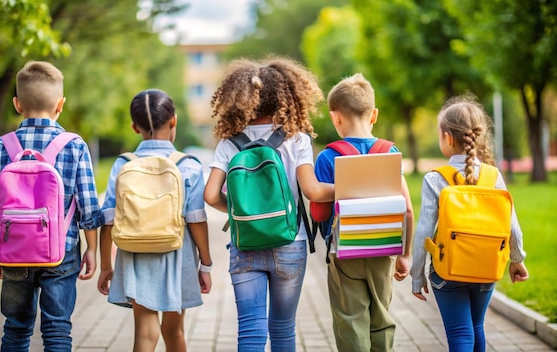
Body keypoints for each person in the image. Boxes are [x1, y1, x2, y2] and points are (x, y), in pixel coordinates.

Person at [203, 56, 335, 351]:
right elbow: (312, 191)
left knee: (250, 330)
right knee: (283, 329)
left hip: (246, 244)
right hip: (289, 242)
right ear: (284, 97)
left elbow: (211, 195)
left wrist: (240, 212)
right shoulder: (296, 139)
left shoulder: (229, 144)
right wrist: (347, 190)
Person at [0, 60, 103, 351]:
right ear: (60, 104)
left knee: (16, 329)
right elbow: (88, 207)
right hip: (61, 252)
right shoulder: (74, 145)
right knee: (58, 330)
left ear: (17, 104)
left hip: (14, 250)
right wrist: (92, 249)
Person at [410, 94, 529, 352]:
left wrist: (416, 274)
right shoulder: (493, 175)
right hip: (486, 268)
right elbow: (511, 224)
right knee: (476, 327)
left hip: (447, 270)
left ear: (447, 138)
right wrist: (517, 259)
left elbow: (424, 231)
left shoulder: (435, 179)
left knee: (459, 333)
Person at [97, 89, 212, 352]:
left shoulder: (123, 164)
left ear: (134, 127)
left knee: (145, 334)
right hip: (177, 253)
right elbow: (196, 219)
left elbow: (108, 219)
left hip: (135, 253)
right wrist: (205, 264)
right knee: (175, 332)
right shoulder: (188, 165)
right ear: (174, 120)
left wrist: (106, 265)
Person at [311, 73, 414, 351]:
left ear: (335, 118)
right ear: (374, 115)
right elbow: (406, 208)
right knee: (381, 315)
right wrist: (405, 254)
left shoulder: (328, 157)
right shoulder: (389, 152)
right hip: (384, 249)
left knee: (350, 318)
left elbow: (320, 214)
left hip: (345, 253)